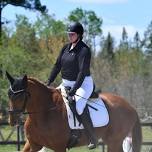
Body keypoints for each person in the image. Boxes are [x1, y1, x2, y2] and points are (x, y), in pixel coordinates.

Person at [47, 22, 97, 149]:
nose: (69, 36)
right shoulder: (65, 47)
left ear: (79, 35)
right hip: (66, 83)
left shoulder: (84, 50)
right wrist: (48, 82)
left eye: (72, 34)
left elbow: (81, 72)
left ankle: (92, 137)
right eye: (68, 34)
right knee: (51, 101)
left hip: (83, 84)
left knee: (77, 106)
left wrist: (74, 90)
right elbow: (57, 65)